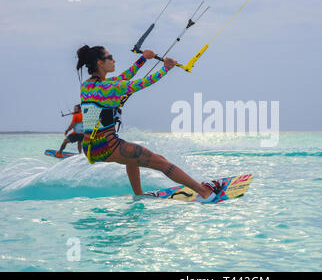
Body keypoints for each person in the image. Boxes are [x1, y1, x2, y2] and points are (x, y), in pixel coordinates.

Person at [77, 45, 223, 202]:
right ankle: (205, 193)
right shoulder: (108, 87)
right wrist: (165, 69)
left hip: (91, 147)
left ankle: (138, 195)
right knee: (161, 163)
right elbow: (142, 82)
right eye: (110, 57)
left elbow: (124, 77)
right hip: (108, 145)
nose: (114, 60)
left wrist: (142, 59)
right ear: (100, 63)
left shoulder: (87, 86)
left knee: (134, 158)